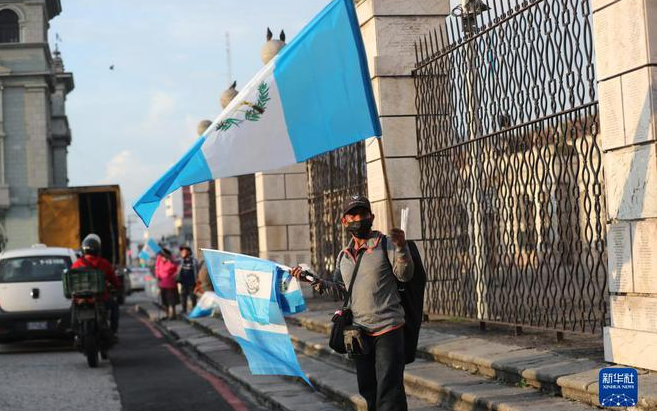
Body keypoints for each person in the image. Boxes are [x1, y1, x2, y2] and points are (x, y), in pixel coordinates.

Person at [292, 195, 413, 411]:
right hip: (358, 333)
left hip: (389, 328)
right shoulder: (344, 256)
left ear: (372, 217)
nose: (358, 219)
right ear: (344, 221)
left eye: (363, 214)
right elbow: (339, 290)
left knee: (389, 390)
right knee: (368, 389)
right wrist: (311, 280)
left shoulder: (386, 245)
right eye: (353, 215)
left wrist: (403, 248)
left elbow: (405, 275)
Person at [71, 233, 120, 339]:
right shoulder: (104, 263)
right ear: (98, 249)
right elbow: (114, 281)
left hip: (81, 299)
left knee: (73, 306)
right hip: (100, 298)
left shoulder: (77, 264)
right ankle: (114, 331)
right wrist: (116, 286)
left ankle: (75, 333)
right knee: (114, 306)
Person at [155, 248, 180, 319]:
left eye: (164, 257)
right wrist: (158, 276)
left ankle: (173, 314)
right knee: (165, 301)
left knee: (172, 301)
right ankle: (167, 314)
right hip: (163, 285)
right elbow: (157, 270)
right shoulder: (160, 262)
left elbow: (175, 269)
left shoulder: (171, 263)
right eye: (162, 257)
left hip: (171, 285)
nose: (163, 258)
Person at [177, 246, 198, 314]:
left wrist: (197, 280)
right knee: (183, 296)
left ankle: (194, 309)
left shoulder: (193, 261)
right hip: (183, 282)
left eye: (184, 251)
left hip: (192, 282)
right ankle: (184, 309)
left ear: (188, 252)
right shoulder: (181, 261)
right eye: (181, 251)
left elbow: (197, 270)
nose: (182, 253)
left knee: (193, 296)